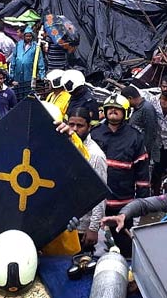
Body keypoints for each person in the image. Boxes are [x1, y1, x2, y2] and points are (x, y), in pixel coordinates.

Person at [90, 94, 149, 257]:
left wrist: (142, 204)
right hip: (96, 202)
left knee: (126, 248)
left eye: (117, 109)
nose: (113, 111)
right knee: (88, 247)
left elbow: (142, 174)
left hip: (123, 202)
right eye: (110, 108)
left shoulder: (135, 136)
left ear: (126, 113)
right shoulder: (95, 134)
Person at [67, 107, 106, 252]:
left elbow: (100, 194)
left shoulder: (95, 155)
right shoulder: (65, 145)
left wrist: (93, 228)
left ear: (89, 127)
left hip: (82, 227)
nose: (75, 129)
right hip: (63, 223)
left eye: (80, 125)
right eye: (71, 124)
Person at [121, 85, 162, 167]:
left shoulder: (147, 109)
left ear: (130, 98)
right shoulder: (137, 108)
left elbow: (151, 133)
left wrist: (145, 152)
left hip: (145, 153)